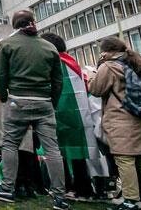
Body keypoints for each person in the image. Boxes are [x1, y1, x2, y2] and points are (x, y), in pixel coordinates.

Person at [0, 10, 69, 210]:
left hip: (18, 100)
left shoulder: (6, 45)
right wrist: (53, 102)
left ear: (15, 25)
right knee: (52, 149)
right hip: (44, 101)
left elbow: (0, 75)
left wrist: (5, 97)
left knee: (10, 144)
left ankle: (7, 188)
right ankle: (59, 196)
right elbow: (58, 81)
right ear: (33, 22)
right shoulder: (49, 47)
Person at [88, 36, 141, 210]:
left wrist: (93, 74)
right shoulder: (136, 63)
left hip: (122, 118)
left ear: (106, 52)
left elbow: (97, 90)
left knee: (125, 159)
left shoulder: (109, 66)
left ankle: (130, 201)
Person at [42, 32, 107, 200]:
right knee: (77, 154)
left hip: (60, 113)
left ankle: (67, 187)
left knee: (59, 151)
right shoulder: (71, 62)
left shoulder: (54, 63)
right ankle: (84, 188)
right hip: (78, 114)